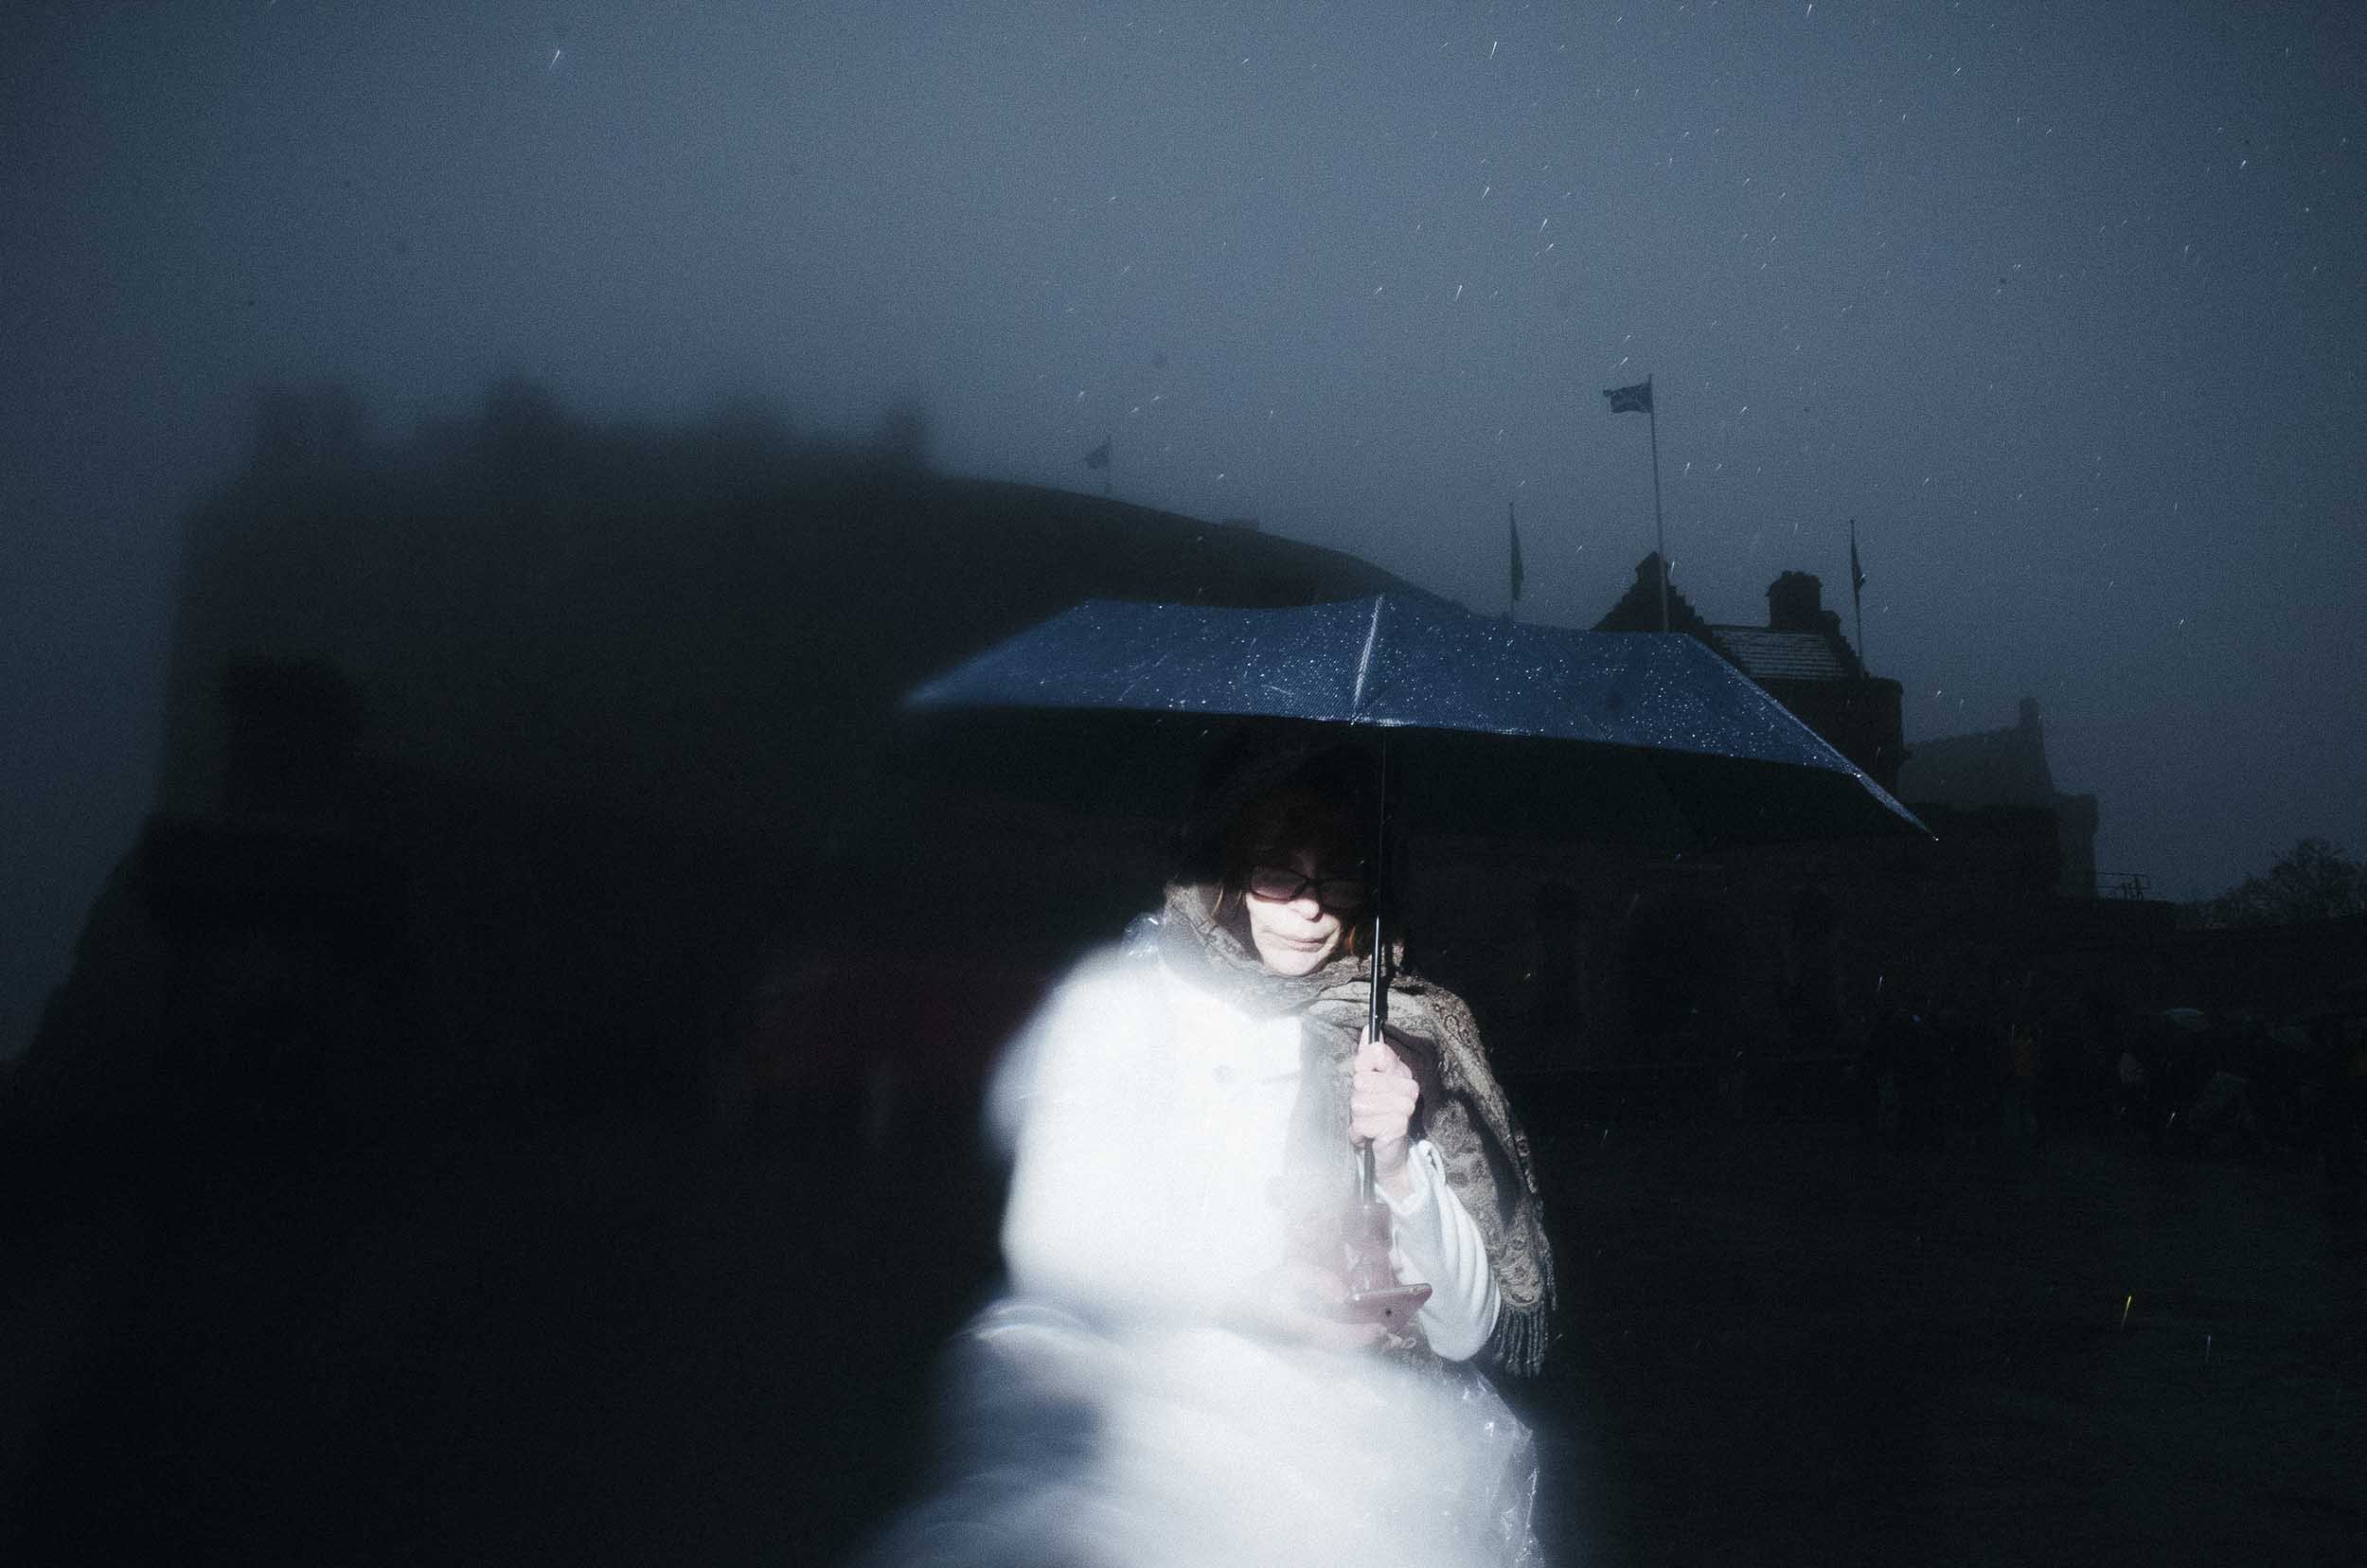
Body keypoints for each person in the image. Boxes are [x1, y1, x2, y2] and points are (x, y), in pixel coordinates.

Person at [863, 745, 1557, 1568]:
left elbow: (1465, 1328)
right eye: (1278, 874)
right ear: (1225, 876)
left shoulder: (1401, 1032)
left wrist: (1402, 1160)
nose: (1310, 909)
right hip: (1167, 1473)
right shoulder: (1126, 1006)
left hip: (1363, 1491)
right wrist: (1255, 1291)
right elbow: (1053, 1236)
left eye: (1337, 877)